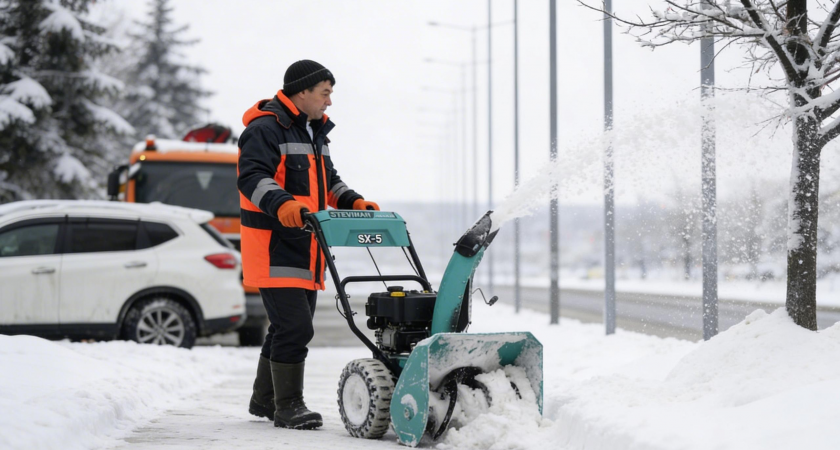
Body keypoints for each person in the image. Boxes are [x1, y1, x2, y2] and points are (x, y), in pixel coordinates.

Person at [237, 60, 379, 430]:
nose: (329, 102)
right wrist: (283, 203)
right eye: (325, 93)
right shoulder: (266, 129)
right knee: (296, 328)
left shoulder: (313, 133)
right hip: (273, 245)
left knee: (285, 328)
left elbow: (328, 182)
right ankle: (289, 407)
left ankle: (264, 399)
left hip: (306, 247)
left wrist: (353, 201)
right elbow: (251, 176)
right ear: (302, 92)